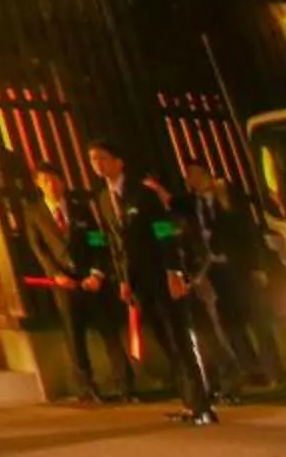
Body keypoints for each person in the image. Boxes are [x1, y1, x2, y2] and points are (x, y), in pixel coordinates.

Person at [88, 141, 220, 425]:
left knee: (179, 336)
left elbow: (164, 231)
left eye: (103, 157)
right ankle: (188, 402)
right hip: (137, 281)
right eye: (94, 159)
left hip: (160, 272)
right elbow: (111, 242)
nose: (98, 164)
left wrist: (174, 271)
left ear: (119, 161)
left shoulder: (142, 193)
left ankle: (202, 404)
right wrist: (121, 279)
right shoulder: (102, 199)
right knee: (164, 340)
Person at [21, 161, 133, 403]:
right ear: (38, 185)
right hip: (63, 282)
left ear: (62, 182)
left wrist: (96, 272)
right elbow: (38, 248)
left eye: (54, 180)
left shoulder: (79, 208)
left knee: (108, 331)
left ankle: (125, 384)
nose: (51, 185)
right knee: (74, 334)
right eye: (45, 181)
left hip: (90, 278)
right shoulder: (34, 212)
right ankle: (87, 387)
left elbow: (96, 239)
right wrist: (55, 274)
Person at [184, 162, 282, 392]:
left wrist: (257, 265)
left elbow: (247, 230)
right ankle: (250, 369)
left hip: (239, 265)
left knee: (257, 317)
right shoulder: (193, 205)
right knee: (231, 321)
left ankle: (271, 368)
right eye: (189, 176)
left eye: (196, 174)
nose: (193, 180)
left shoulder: (227, 197)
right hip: (214, 269)